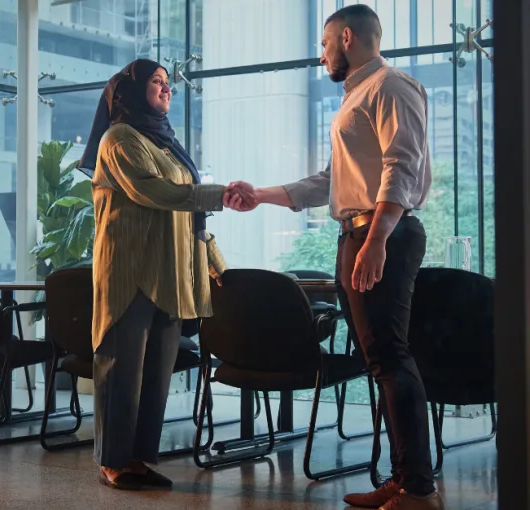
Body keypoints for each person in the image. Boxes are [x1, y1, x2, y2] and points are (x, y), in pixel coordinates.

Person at [229, 5, 444, 510]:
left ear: (347, 38)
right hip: (357, 232)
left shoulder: (391, 86)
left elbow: (402, 166)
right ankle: (403, 478)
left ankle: (418, 489)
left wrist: (377, 240)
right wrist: (260, 194)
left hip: (380, 232)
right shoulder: (355, 100)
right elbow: (329, 182)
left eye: (325, 45)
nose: (321, 54)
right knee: (379, 360)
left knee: (390, 356)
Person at [78, 59, 252, 491]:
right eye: (157, 82)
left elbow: (189, 217)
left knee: (156, 374)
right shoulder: (119, 138)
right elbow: (152, 192)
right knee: (122, 370)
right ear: (131, 93)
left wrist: (216, 263)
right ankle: (113, 462)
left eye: (168, 83)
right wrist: (220, 193)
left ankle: (138, 458)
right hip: (131, 273)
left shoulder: (168, 144)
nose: (166, 89)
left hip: (172, 275)